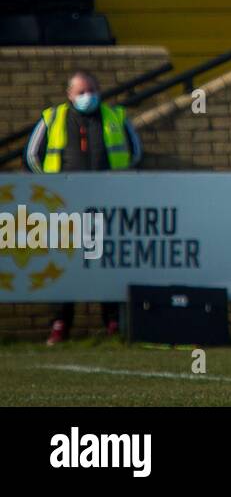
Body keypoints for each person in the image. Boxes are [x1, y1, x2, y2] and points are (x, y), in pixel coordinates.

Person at [25, 70, 142, 345]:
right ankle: (60, 323)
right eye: (80, 92)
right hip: (64, 204)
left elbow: (135, 153)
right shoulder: (52, 118)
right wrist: (51, 189)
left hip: (106, 202)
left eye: (91, 90)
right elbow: (32, 156)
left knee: (105, 262)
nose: (86, 96)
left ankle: (112, 322)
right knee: (64, 264)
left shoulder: (115, 117)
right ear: (69, 95)